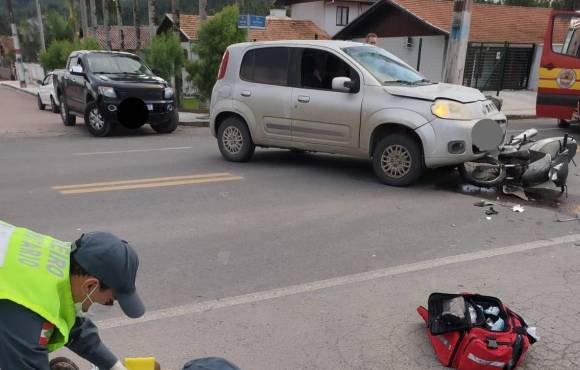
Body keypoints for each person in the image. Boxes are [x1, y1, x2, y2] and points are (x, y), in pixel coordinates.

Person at [0, 220, 145, 370]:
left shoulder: (61, 259)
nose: (111, 305)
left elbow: (70, 320)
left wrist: (114, 366)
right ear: (90, 286)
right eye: (110, 300)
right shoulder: (29, 311)